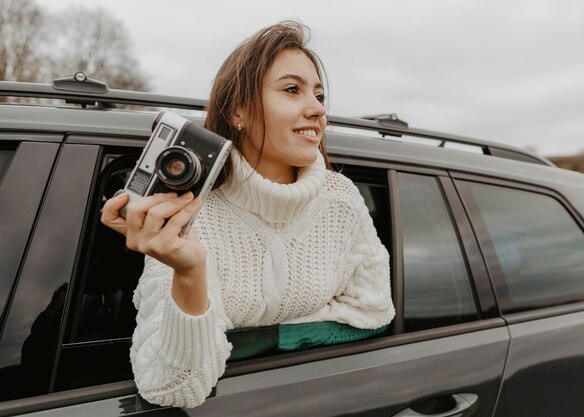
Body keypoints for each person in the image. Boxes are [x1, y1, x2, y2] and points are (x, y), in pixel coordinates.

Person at [101, 20, 395, 409]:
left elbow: (375, 312)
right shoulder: (191, 212)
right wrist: (189, 272)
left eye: (319, 95)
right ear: (238, 111)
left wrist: (256, 339)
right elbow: (171, 388)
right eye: (293, 90)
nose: (318, 110)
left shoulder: (341, 198)